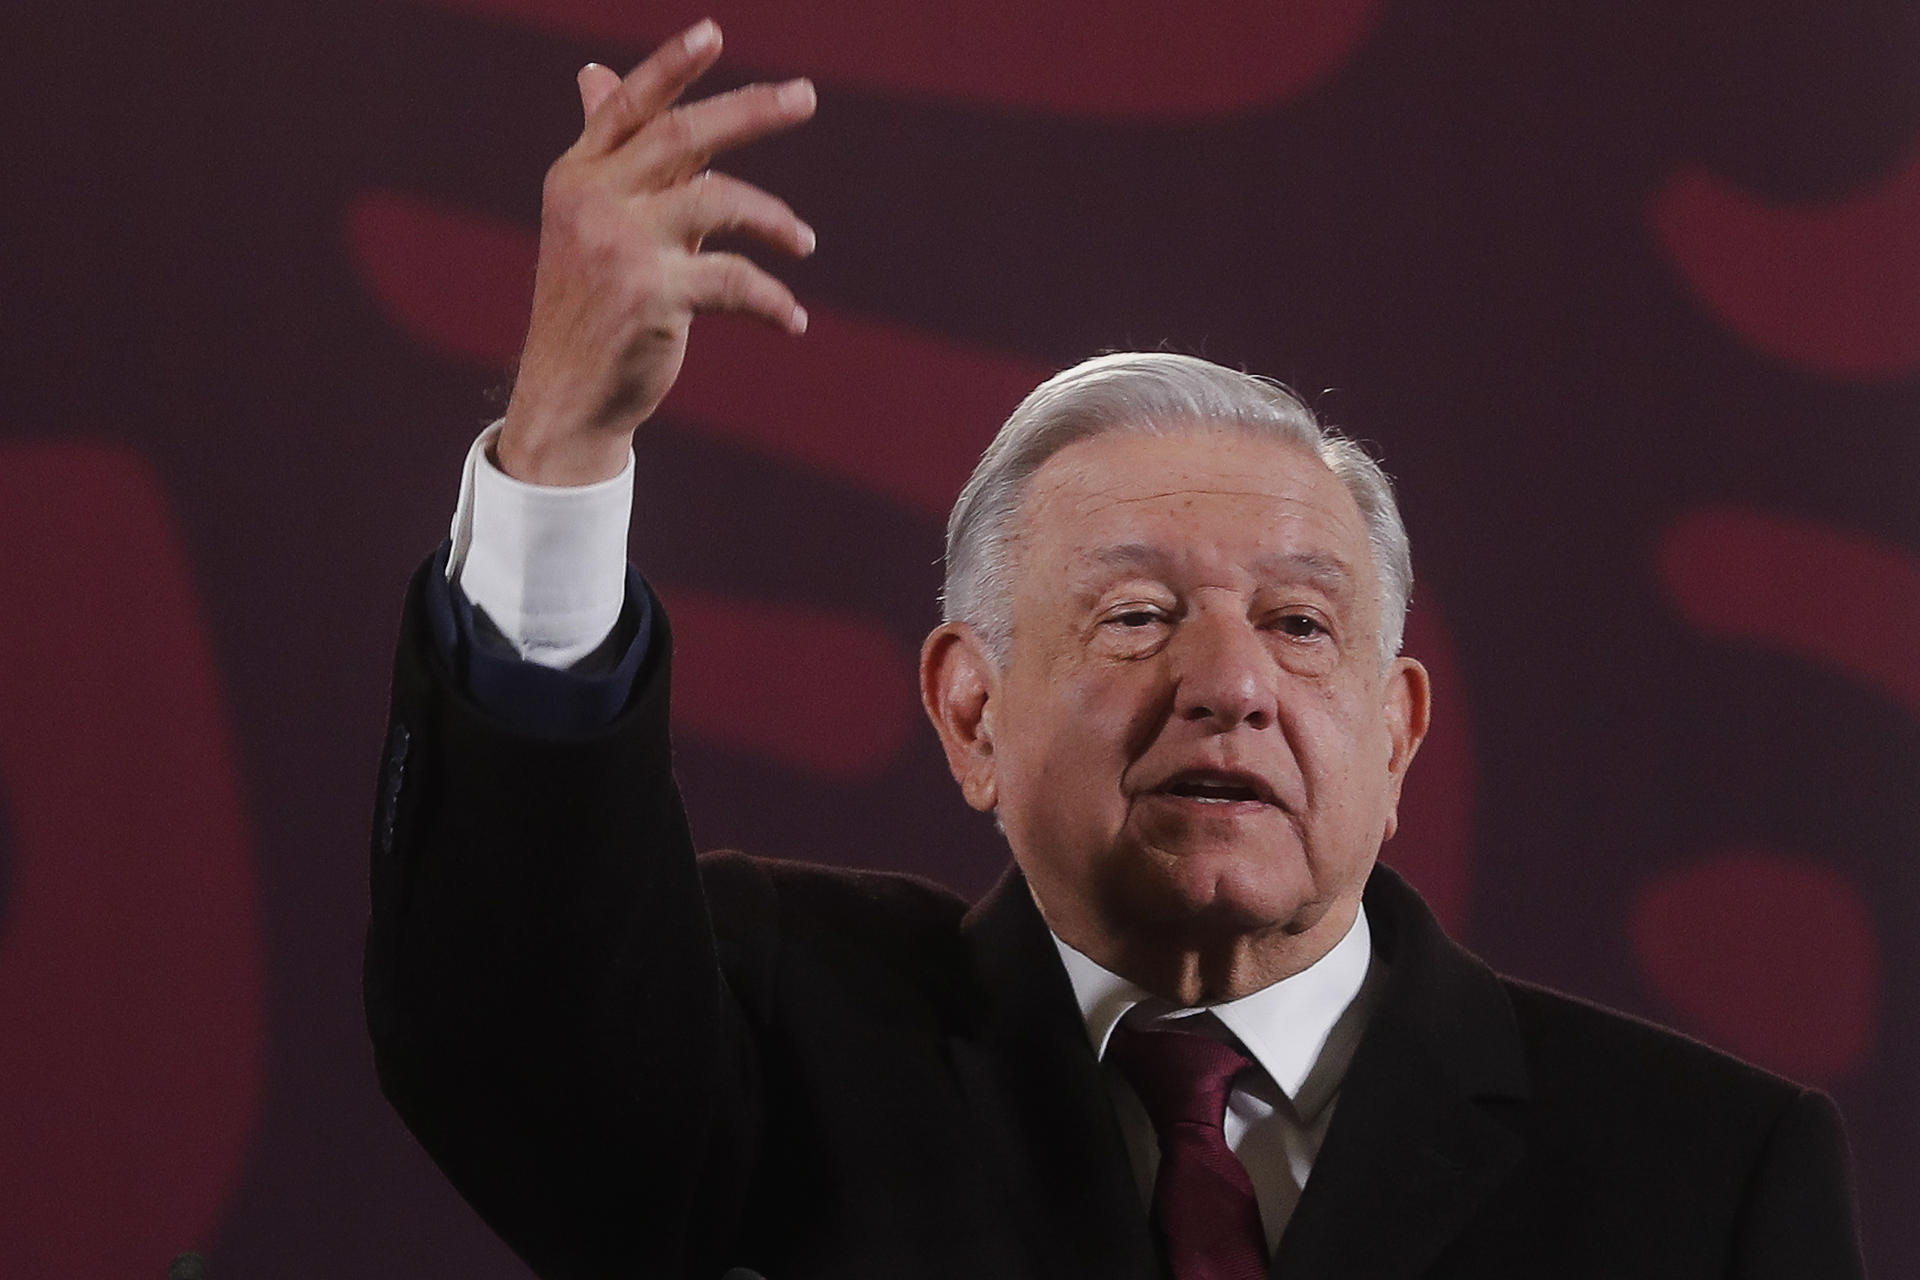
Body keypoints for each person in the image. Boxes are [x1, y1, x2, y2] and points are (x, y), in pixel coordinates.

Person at [366, 20, 1867, 1280]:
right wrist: (565, 442)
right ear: (969, 712)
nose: (1227, 684)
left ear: (1400, 732)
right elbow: (521, 1019)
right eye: (1138, 617)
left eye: (1298, 624)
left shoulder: (1706, 1178)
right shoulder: (778, 1045)